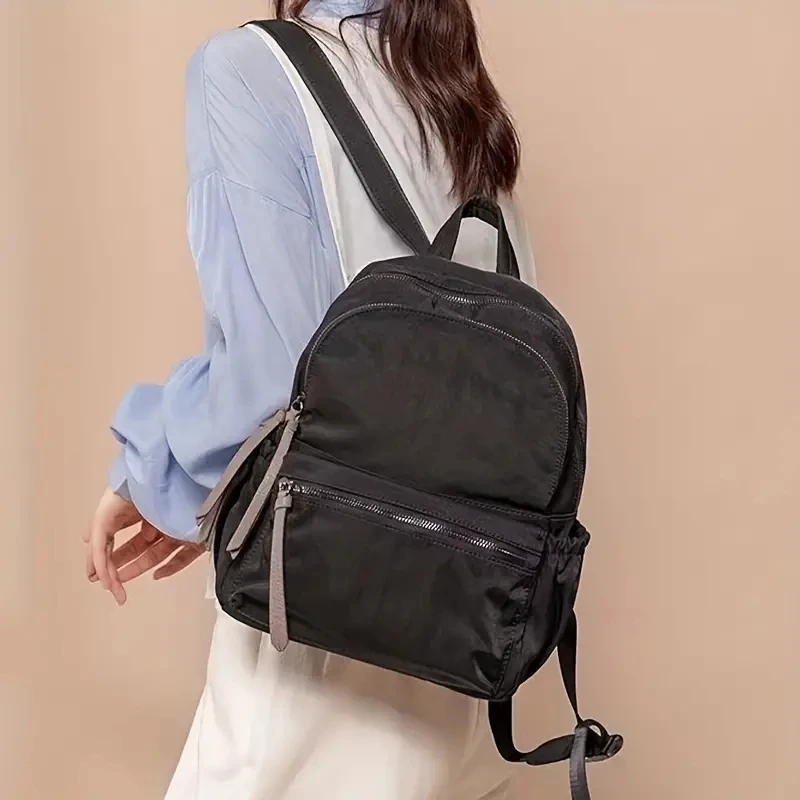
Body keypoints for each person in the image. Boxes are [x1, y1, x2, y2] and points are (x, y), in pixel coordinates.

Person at [85, 1, 537, 797]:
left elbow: (268, 382)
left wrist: (162, 476)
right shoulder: (459, 101)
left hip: (314, 631)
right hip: (460, 651)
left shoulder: (247, 72)